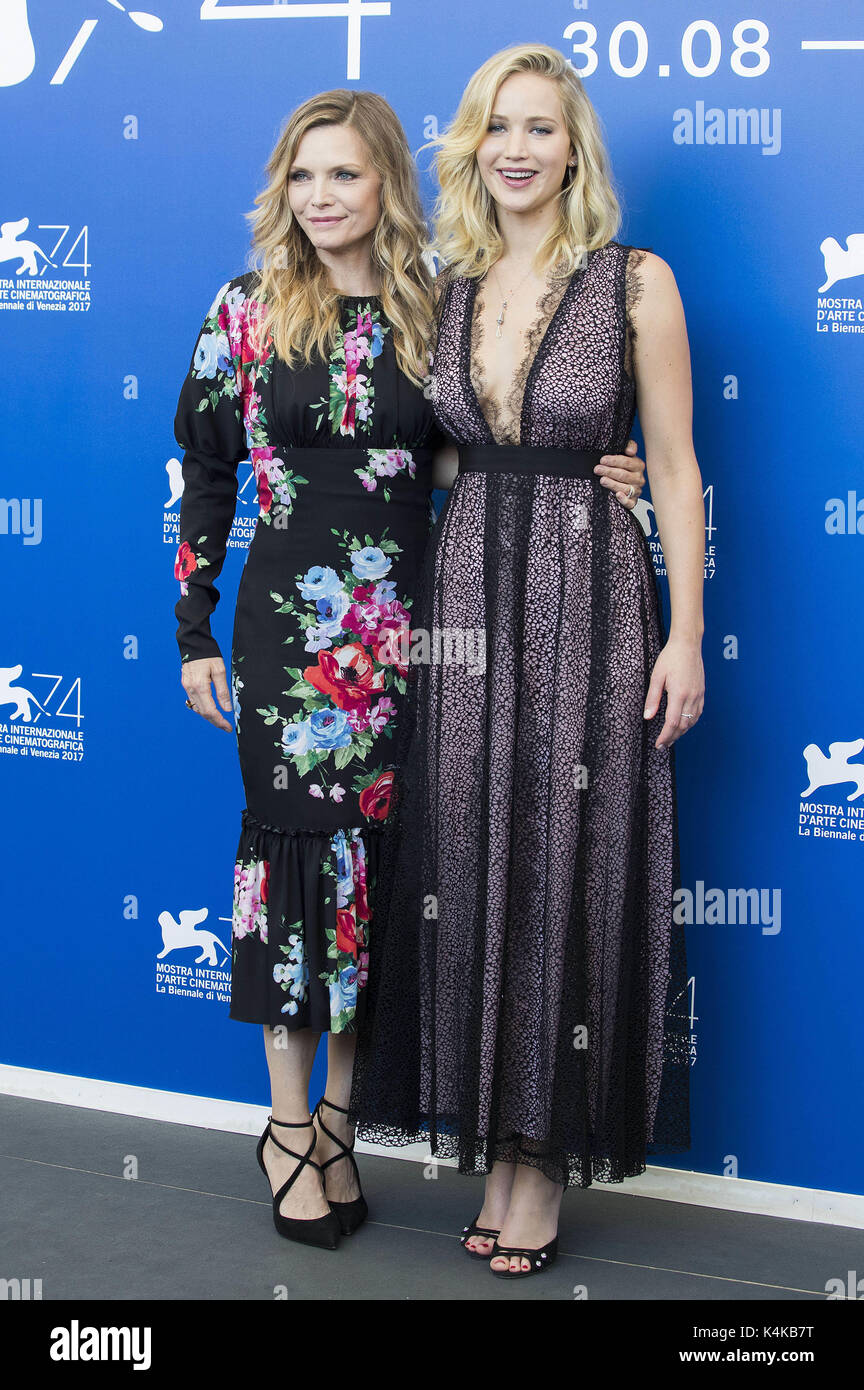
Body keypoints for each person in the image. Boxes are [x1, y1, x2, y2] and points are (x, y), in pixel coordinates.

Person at [173, 86, 648, 1253]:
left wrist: (595, 470)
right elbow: (205, 478)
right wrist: (190, 629)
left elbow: (468, 455)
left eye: (344, 174)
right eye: (302, 176)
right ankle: (287, 1134)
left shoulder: (433, 308)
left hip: (413, 635)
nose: (321, 197)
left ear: (387, 184)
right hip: (289, 642)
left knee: (382, 885)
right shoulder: (243, 311)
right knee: (293, 880)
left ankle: (340, 1126)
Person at [349, 43, 704, 1279]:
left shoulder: (634, 282)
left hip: (593, 597)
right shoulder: (443, 290)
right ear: (472, 143)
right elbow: (446, 453)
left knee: (562, 865)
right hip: (465, 603)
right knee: (472, 860)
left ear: (575, 150)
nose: (517, 148)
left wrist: (687, 632)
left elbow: (671, 467)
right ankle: (494, 1145)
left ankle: (539, 1164)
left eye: (542, 129)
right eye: (498, 126)